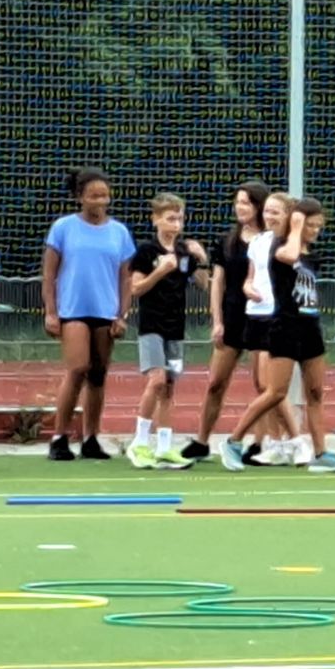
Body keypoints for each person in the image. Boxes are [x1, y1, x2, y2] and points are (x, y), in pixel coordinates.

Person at [224, 197, 335, 473]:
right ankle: (233, 441)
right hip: (285, 327)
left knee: (315, 393)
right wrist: (296, 225)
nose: (315, 231)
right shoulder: (280, 248)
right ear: (298, 222)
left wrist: (302, 229)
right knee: (274, 392)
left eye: (319, 226)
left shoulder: (310, 253)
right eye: (311, 225)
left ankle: (321, 453)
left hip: (310, 327)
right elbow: (290, 257)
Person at [194, 180, 294, 468]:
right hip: (233, 319)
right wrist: (217, 321)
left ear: (259, 207)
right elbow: (218, 282)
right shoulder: (228, 241)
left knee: (265, 385)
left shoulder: (272, 241)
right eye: (237, 202)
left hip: (263, 318)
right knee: (216, 383)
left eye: (246, 203)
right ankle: (201, 441)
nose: (240, 207)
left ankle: (266, 443)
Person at [40, 167, 136, 460]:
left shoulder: (119, 232)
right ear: (80, 197)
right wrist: (51, 312)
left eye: (105, 195)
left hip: (105, 311)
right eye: (94, 196)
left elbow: (125, 277)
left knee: (98, 374)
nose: (100, 201)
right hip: (72, 309)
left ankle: (91, 437)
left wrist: (122, 314)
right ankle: (59, 437)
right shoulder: (63, 228)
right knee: (78, 368)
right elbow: (49, 274)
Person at [126, 192, 206, 469]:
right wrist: (159, 272)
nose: (176, 224)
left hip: (175, 327)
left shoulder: (184, 252)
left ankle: (164, 447)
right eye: (170, 218)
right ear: (156, 220)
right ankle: (139, 443)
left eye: (180, 218)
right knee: (157, 380)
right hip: (152, 325)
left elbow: (203, 283)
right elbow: (136, 288)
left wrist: (201, 258)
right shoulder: (147, 251)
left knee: (169, 387)